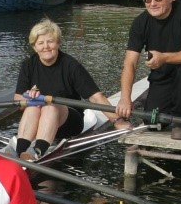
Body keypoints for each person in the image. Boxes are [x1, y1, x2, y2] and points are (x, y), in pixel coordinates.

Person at [116, 0, 181, 141]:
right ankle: (167, 109)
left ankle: (180, 121)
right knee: (152, 122)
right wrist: (125, 98)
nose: (152, 4)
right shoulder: (140, 23)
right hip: (161, 78)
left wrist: (164, 58)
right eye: (147, 0)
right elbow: (130, 63)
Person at [14, 19, 113, 161]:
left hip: (70, 122)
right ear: (34, 47)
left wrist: (118, 120)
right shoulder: (28, 65)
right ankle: (21, 152)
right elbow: (18, 100)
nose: (46, 47)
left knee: (50, 107)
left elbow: (96, 97)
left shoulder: (71, 66)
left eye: (50, 41)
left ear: (58, 43)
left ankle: (36, 152)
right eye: (40, 43)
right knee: (32, 107)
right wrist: (28, 98)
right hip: (39, 116)